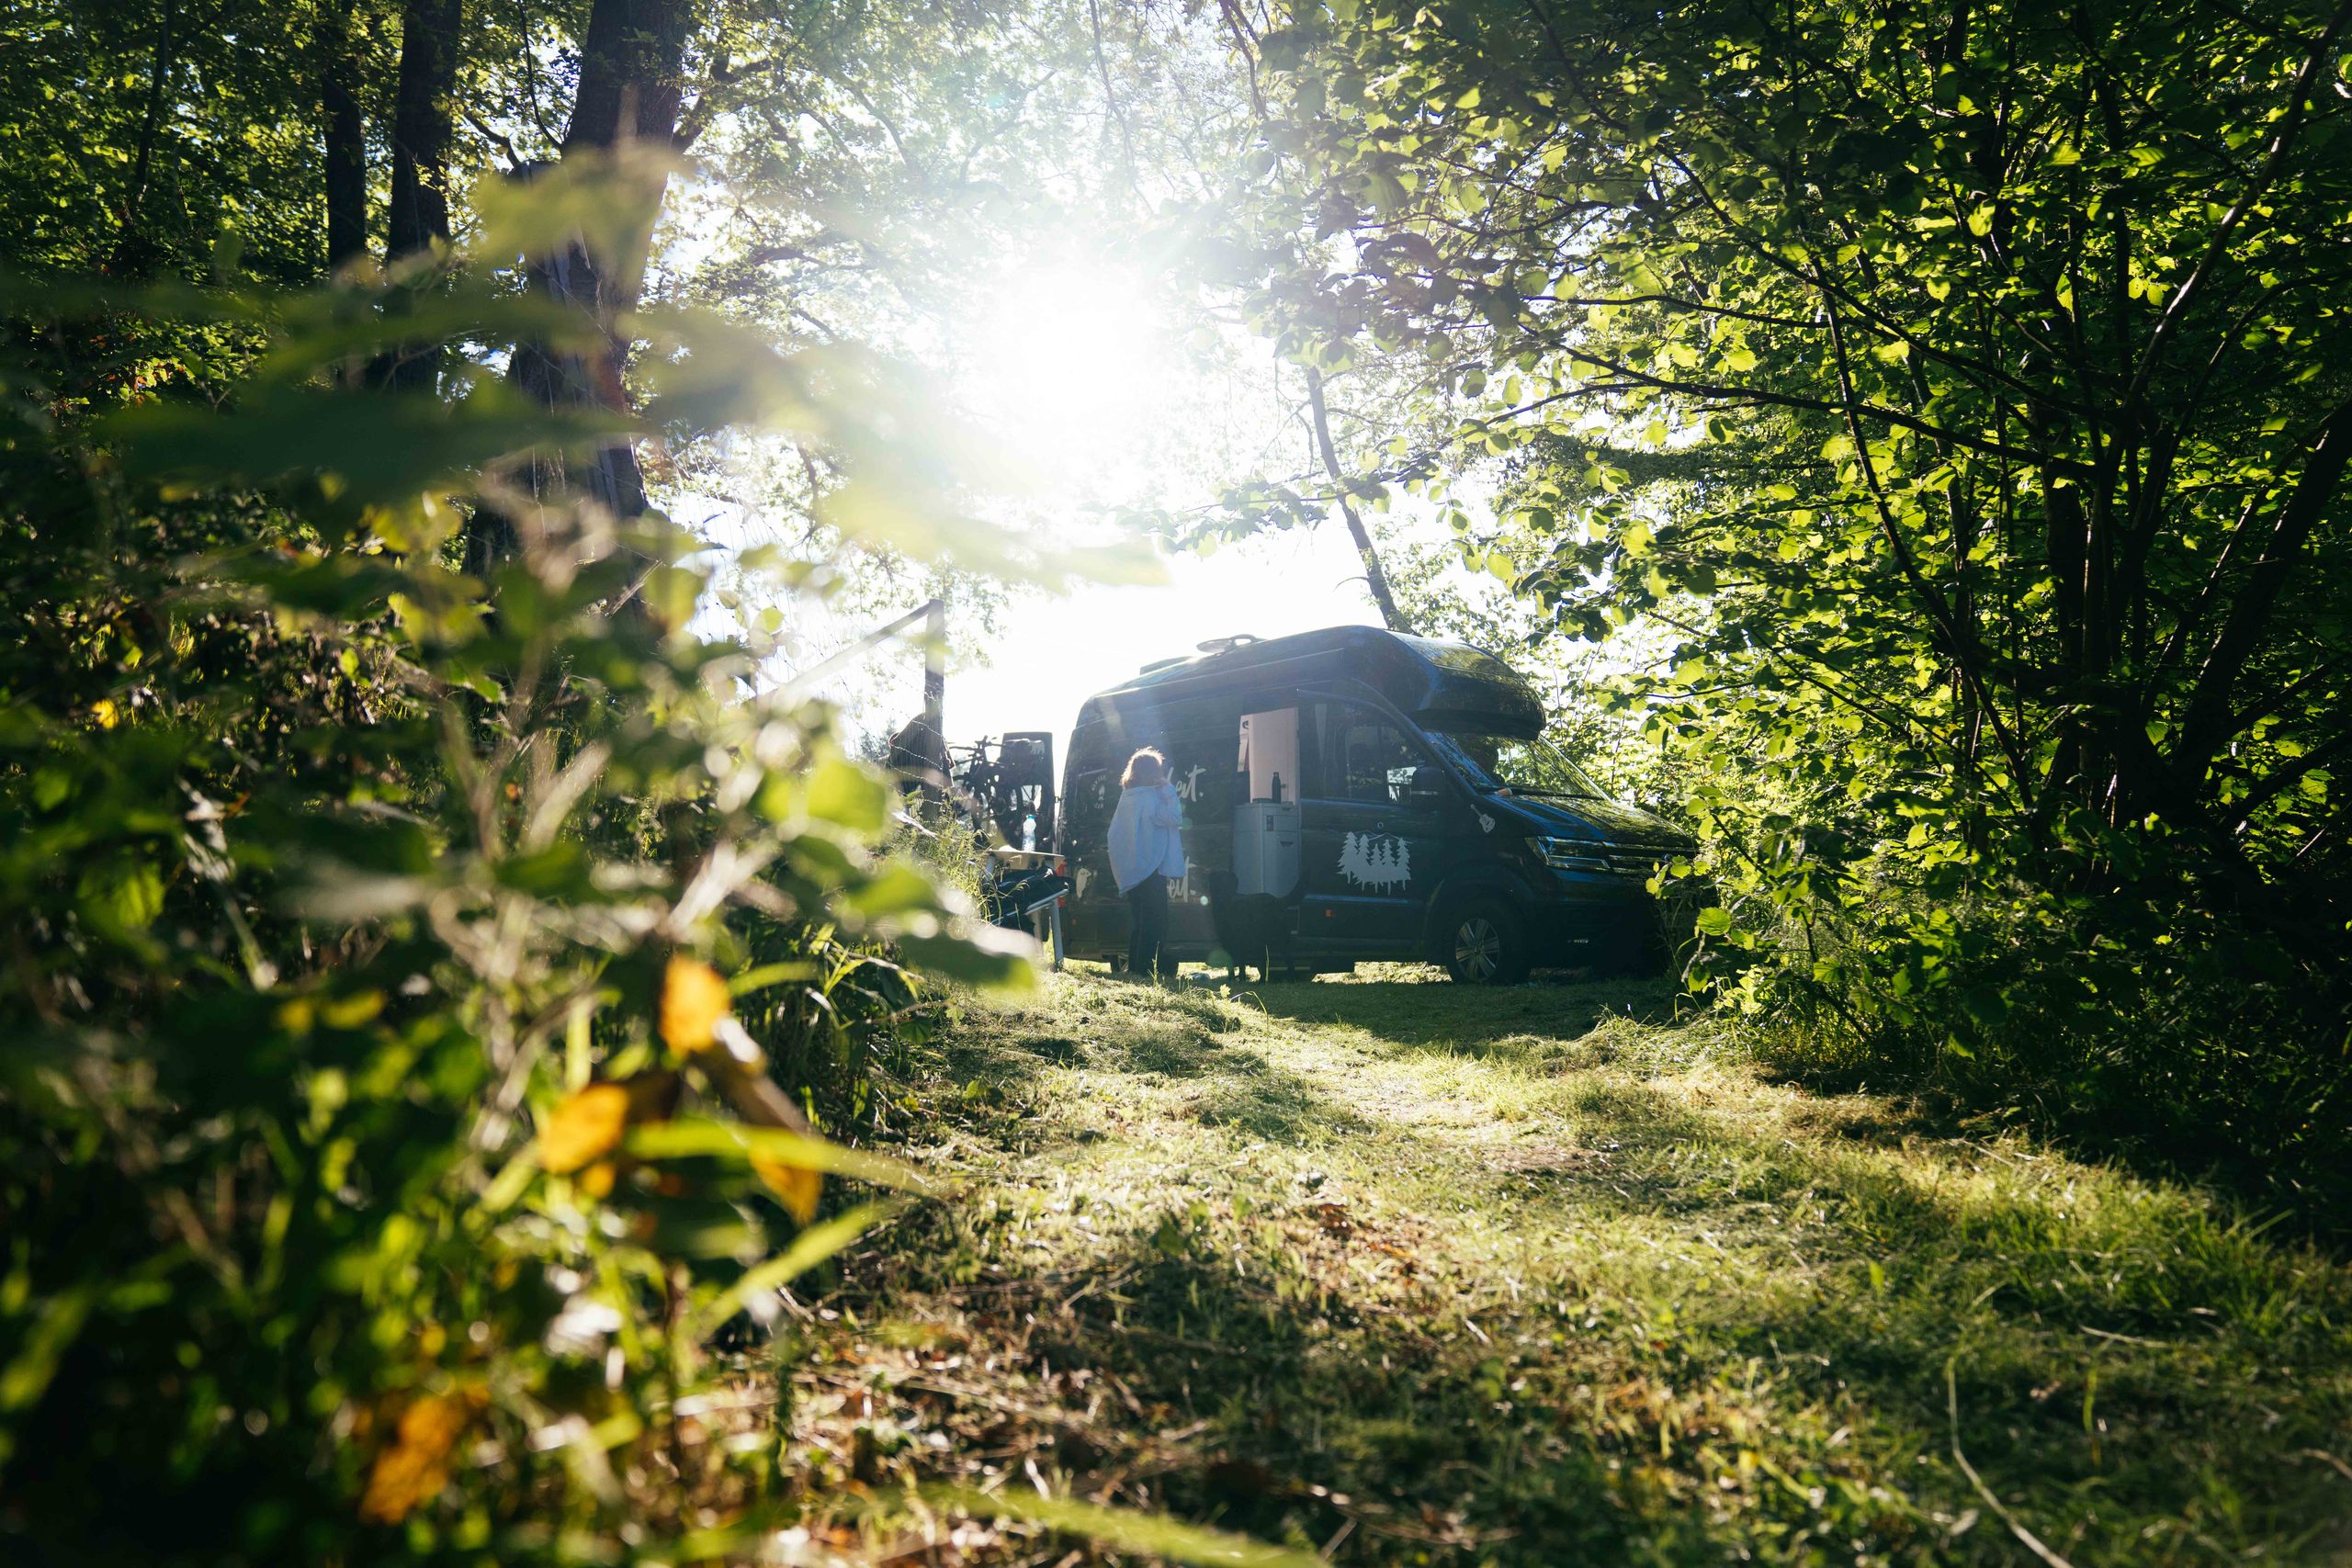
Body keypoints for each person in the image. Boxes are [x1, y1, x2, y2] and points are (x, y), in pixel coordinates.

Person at [1107, 746, 1184, 983]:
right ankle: (1145, 971)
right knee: (1156, 922)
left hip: (1132, 868)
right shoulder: (1151, 797)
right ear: (1154, 772)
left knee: (1140, 922)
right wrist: (1169, 791)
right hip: (1150, 867)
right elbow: (1174, 818)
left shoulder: (1128, 797)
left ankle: (1136, 969)